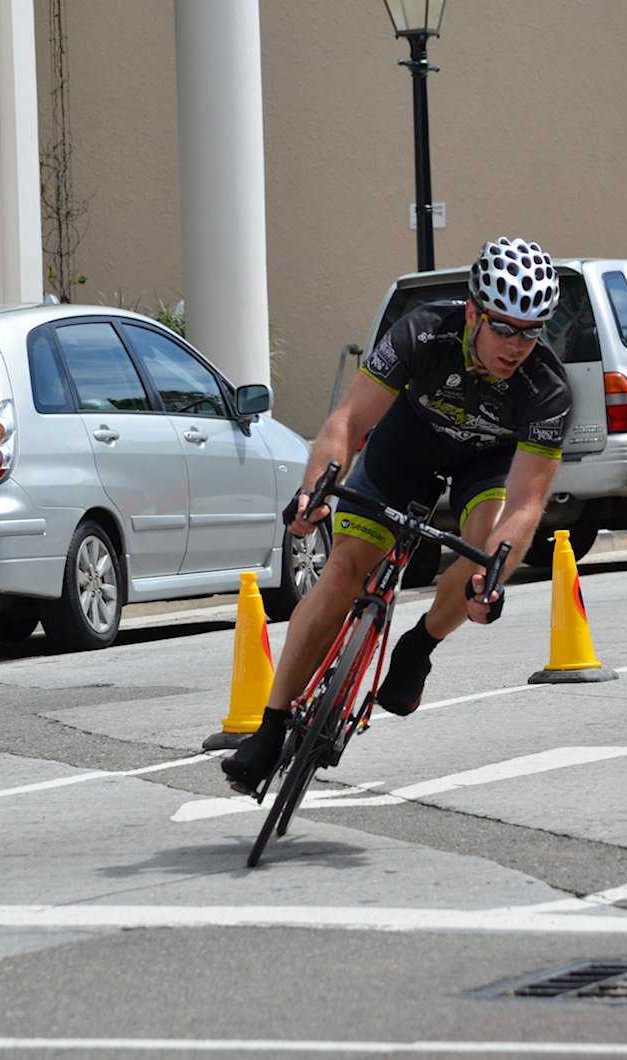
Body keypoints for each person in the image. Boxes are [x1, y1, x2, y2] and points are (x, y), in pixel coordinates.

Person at [221, 237, 571, 796]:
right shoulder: (423, 330)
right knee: (342, 574)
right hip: (407, 446)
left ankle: (418, 645)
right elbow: (348, 423)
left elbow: (527, 504)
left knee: (482, 545)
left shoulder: (546, 389)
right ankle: (272, 725)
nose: (517, 345)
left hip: (486, 462)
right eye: (505, 326)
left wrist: (494, 576)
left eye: (533, 331)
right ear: (474, 312)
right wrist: (316, 492)